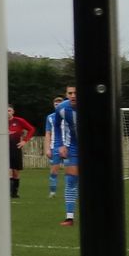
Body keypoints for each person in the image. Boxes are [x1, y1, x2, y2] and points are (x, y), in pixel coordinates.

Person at [52, 85, 79, 226]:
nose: (73, 95)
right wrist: (61, 144)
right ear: (66, 94)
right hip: (73, 147)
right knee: (71, 181)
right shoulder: (62, 108)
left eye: (75, 93)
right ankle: (69, 218)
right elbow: (56, 126)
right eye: (70, 93)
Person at [4, 106, 33, 199]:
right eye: (6, 110)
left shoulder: (19, 121)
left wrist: (24, 140)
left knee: (15, 171)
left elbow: (31, 129)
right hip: (4, 150)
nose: (7, 112)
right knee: (7, 170)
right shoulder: (0, 122)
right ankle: (7, 192)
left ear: (13, 112)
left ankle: (14, 193)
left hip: (16, 148)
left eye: (9, 110)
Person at [43, 107, 64, 196]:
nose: (57, 105)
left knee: (71, 171)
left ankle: (70, 191)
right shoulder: (50, 117)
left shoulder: (68, 115)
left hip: (68, 146)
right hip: (55, 147)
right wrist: (47, 149)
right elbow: (48, 133)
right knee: (54, 171)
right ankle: (52, 192)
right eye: (56, 104)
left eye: (59, 104)